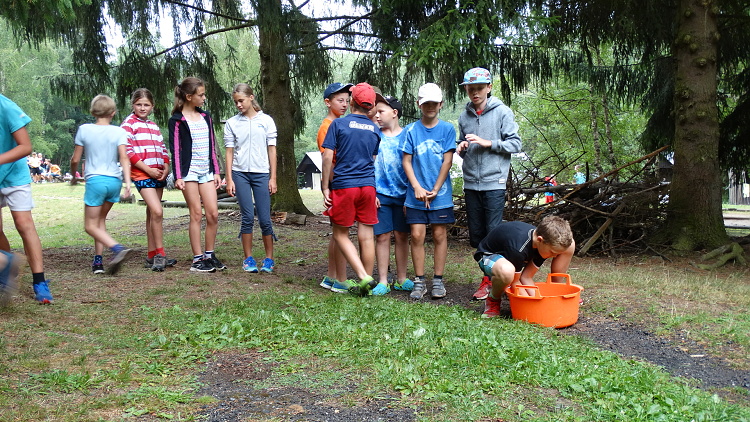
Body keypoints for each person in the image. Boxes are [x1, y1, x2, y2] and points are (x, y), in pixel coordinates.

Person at [455, 67, 523, 302]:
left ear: (489, 87)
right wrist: (461, 147)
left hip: (494, 182)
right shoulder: (464, 116)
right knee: (477, 237)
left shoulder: (502, 112)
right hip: (471, 183)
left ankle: (492, 280)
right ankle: (491, 275)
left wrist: (488, 142)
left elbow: (515, 144)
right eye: (470, 89)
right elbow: (463, 146)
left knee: (493, 235)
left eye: (479, 88)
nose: (475, 93)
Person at [321, 82, 380, 296]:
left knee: (340, 234)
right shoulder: (375, 129)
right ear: (371, 105)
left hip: (345, 185)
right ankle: (367, 284)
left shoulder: (338, 124)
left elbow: (327, 156)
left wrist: (325, 186)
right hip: (368, 186)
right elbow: (372, 159)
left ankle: (363, 276)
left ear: (353, 101)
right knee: (367, 235)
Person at [402, 83, 456, 300]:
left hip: (440, 194)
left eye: (434, 103)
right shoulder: (411, 130)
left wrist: (435, 189)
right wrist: (416, 187)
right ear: (419, 104)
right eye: (426, 103)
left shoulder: (448, 129)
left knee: (439, 234)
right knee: (417, 235)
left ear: (441, 104)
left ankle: (438, 280)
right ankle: (419, 280)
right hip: (415, 193)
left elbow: (447, 161)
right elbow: (406, 161)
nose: (430, 107)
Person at [70, 94, 134, 276]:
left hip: (96, 181)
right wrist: (128, 183)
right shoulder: (119, 132)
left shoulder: (84, 130)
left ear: (93, 112)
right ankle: (98, 262)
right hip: (114, 182)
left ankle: (117, 248)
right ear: (113, 113)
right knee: (99, 222)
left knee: (90, 226)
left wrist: (74, 175)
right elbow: (124, 158)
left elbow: (75, 159)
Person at [168, 77, 225, 273]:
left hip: (206, 171)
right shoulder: (177, 120)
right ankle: (197, 259)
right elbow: (175, 149)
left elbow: (212, 145)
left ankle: (209, 255)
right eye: (201, 95)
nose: (204, 98)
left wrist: (216, 171)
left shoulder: (206, 116)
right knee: (196, 214)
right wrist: (178, 176)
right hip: (188, 172)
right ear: (189, 97)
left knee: (213, 214)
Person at [0, 94, 53, 304]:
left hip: (14, 175)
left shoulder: (6, 107)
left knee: (24, 224)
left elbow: (25, 146)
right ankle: (6, 271)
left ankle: (39, 281)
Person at [474, 215, 575, 318]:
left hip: (512, 257)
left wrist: (541, 299)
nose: (555, 256)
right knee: (507, 272)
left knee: (571, 245)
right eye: (552, 252)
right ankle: (493, 299)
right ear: (540, 240)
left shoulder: (543, 244)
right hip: (488, 255)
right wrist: (532, 304)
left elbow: (526, 277)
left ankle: (557, 289)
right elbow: (515, 282)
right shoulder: (518, 248)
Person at [224, 83, 278, 273]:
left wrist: (273, 177)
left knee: (264, 219)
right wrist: (229, 178)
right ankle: (248, 259)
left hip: (261, 173)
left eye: (241, 101)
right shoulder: (232, 123)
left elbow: (272, 150)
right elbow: (229, 152)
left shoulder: (266, 121)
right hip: (240, 174)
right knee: (247, 217)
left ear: (251, 97)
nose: (238, 105)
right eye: (236, 102)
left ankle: (269, 259)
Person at [121, 88, 173, 272]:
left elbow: (162, 147)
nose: (142, 108)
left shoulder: (153, 126)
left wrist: (166, 165)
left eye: (146, 105)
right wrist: (147, 169)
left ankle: (152, 255)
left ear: (152, 106)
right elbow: (127, 151)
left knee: (152, 214)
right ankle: (160, 254)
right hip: (142, 174)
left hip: (158, 173)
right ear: (133, 104)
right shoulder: (128, 124)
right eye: (139, 104)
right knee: (158, 211)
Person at [371, 94, 413, 295]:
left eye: (381, 111)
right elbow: (367, 165)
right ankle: (383, 280)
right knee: (382, 236)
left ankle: (402, 278)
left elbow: (413, 166)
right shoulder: (374, 136)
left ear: (395, 113)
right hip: (380, 195)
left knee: (402, 236)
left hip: (404, 195)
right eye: (375, 112)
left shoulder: (407, 136)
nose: (377, 115)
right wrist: (371, 191)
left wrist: (411, 195)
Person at [317, 82, 353, 293]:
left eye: (347, 101)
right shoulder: (327, 126)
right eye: (340, 100)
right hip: (336, 183)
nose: (345, 104)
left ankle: (331, 276)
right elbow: (328, 160)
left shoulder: (338, 123)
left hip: (339, 182)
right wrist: (331, 186)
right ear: (327, 102)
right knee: (341, 232)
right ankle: (340, 279)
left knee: (337, 232)